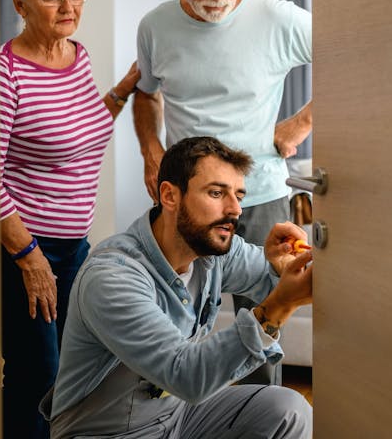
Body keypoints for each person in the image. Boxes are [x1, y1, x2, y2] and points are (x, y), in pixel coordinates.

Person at [133, 0, 312, 385]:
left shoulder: (278, 18)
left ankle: (261, 418)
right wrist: (150, 147)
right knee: (177, 328)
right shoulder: (155, 26)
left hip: (258, 197)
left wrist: (301, 123)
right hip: (184, 204)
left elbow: (355, 55)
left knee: (262, 322)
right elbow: (147, 93)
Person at [43, 136, 313, 438]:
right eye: (216, 193)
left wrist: (285, 269)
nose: (235, 209)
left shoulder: (214, 251)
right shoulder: (111, 278)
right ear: (169, 196)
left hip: (179, 416)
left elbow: (279, 279)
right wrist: (278, 307)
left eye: (238, 195)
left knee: (287, 409)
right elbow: (185, 375)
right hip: (110, 431)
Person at [0, 0, 140, 439]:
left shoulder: (77, 56)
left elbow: (87, 128)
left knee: (71, 372)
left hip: (74, 246)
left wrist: (123, 89)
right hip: (26, 250)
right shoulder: (5, 72)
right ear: (19, 3)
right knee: (36, 375)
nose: (68, 7)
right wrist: (29, 255)